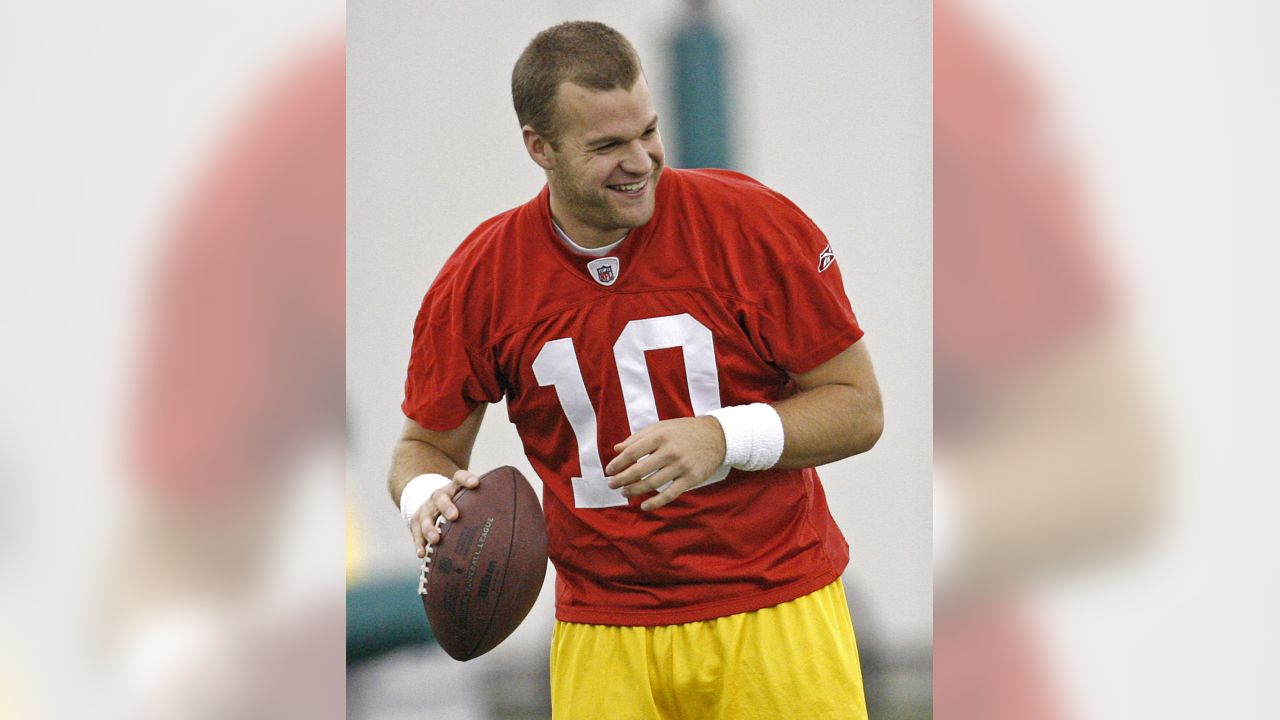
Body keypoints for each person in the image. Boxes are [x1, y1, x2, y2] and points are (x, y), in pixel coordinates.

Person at [389, 21, 883, 719]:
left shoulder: (752, 226)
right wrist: (426, 501)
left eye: (647, 131)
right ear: (540, 147)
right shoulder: (482, 276)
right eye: (607, 146)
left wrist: (722, 436)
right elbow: (422, 448)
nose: (641, 160)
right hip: (604, 629)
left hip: (773, 606)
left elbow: (859, 407)